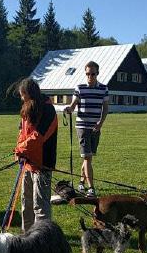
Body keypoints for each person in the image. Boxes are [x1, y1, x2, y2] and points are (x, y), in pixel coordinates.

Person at [14, 78, 58, 232]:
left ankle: (43, 239)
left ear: (30, 93)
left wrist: (21, 150)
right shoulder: (27, 109)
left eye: (22, 95)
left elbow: (39, 137)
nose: (21, 98)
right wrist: (18, 150)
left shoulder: (48, 110)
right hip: (27, 164)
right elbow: (22, 133)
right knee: (26, 204)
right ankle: (27, 236)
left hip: (42, 164)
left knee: (40, 206)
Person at [64, 60, 109, 197]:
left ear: (97, 74)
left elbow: (105, 108)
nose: (90, 77)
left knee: (88, 157)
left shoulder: (104, 89)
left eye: (93, 74)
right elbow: (73, 105)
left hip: (95, 127)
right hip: (82, 127)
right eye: (87, 74)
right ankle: (91, 188)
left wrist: (100, 123)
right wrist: (69, 109)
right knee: (87, 157)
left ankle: (82, 182)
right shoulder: (79, 88)